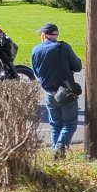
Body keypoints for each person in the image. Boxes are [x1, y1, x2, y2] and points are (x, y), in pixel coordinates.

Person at [30, 23, 82, 158]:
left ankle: (57, 152)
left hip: (48, 92)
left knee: (55, 125)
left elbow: (36, 72)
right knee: (69, 124)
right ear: (56, 35)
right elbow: (77, 66)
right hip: (66, 92)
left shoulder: (35, 50)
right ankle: (59, 149)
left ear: (43, 35)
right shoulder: (63, 47)